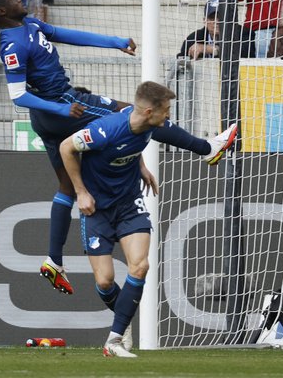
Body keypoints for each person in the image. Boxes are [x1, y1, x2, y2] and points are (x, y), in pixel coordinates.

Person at [0, 0, 239, 295]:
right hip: (62, 105)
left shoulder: (31, 26)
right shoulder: (11, 45)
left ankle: (53, 260)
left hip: (51, 117)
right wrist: (62, 107)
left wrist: (113, 42)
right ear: (1, 12)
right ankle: (207, 148)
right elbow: (18, 96)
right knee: (138, 114)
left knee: (67, 187)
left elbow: (68, 34)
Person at [59, 81, 232, 358]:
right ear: (150, 111)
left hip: (129, 204)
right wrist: (80, 192)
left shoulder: (149, 125)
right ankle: (122, 323)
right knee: (105, 281)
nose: (169, 116)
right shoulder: (105, 130)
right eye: (166, 111)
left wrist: (140, 166)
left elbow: (160, 139)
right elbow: (67, 148)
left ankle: (113, 340)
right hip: (97, 209)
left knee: (139, 267)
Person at [177, 0, 255, 60]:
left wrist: (208, 49)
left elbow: (244, 52)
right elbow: (181, 58)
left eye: (220, 17)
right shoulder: (194, 38)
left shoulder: (243, 33)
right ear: (205, 20)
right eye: (212, 18)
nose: (216, 22)